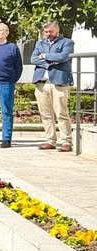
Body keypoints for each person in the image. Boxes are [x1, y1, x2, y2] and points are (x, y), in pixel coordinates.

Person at [31, 20, 74, 152]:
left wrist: (44, 56)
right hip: (42, 83)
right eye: (46, 32)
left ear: (57, 30)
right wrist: (50, 62)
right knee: (45, 114)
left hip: (59, 83)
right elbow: (33, 59)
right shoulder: (40, 43)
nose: (48, 34)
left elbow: (63, 56)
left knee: (61, 113)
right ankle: (50, 140)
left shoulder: (67, 42)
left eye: (50, 31)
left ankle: (66, 141)